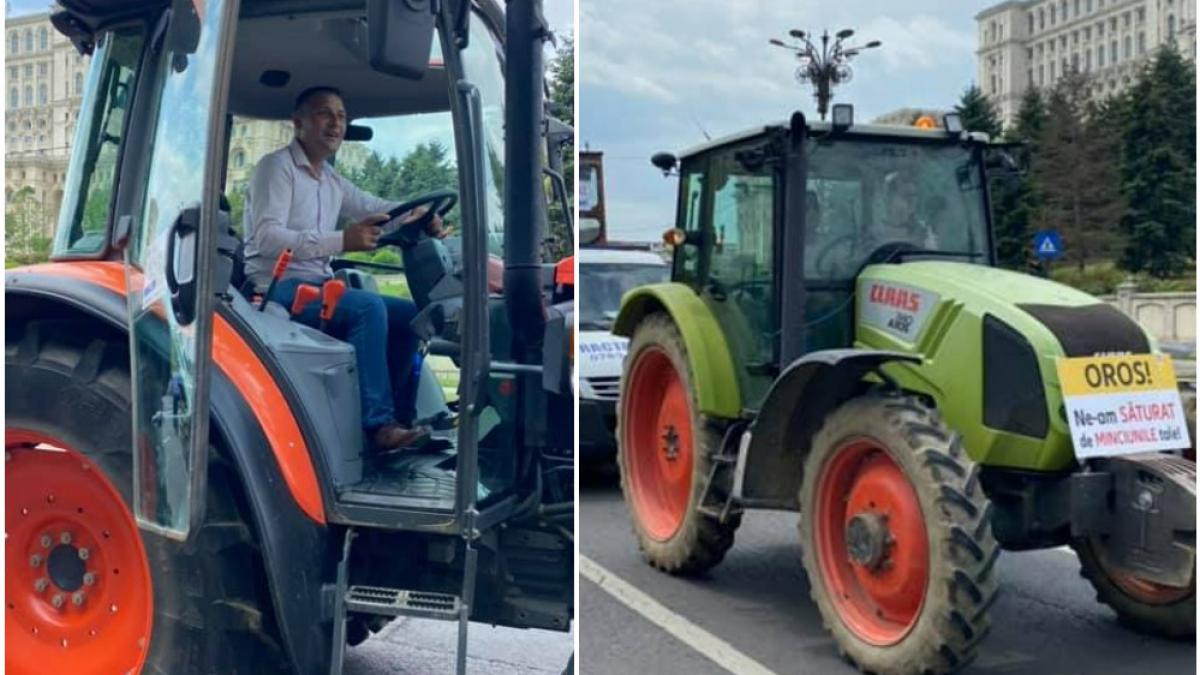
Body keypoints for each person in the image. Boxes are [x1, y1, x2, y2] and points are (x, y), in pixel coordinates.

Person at [243, 86, 440, 453]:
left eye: (341, 116)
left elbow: (377, 207)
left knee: (413, 316)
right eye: (324, 113)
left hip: (318, 285)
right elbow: (267, 237)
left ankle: (402, 419)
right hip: (276, 286)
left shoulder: (330, 180)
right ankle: (378, 425)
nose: (335, 123)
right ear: (298, 122)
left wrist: (421, 214)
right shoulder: (277, 168)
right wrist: (341, 240)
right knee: (369, 307)